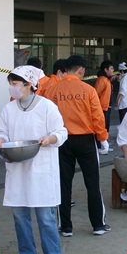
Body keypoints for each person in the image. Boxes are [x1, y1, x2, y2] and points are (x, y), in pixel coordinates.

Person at [0, 65, 68, 254]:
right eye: (10, 84)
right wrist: (0, 140)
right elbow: (3, 133)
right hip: (17, 169)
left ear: (29, 85)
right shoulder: (9, 109)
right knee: (19, 215)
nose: (12, 88)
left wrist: (50, 138)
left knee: (45, 216)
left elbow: (62, 132)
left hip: (41, 168)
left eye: (15, 84)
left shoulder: (47, 107)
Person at [47, 55, 111, 236]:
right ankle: (98, 224)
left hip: (61, 141)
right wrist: (102, 138)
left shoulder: (51, 90)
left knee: (63, 184)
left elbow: (46, 117)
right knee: (92, 184)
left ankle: (66, 227)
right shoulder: (88, 90)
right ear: (81, 70)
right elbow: (97, 117)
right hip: (86, 141)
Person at [94, 60, 114, 144]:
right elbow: (96, 94)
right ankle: (100, 145)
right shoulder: (102, 80)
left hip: (106, 107)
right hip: (102, 108)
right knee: (102, 126)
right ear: (106, 70)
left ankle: (103, 144)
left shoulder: (106, 80)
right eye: (111, 68)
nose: (113, 70)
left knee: (105, 126)